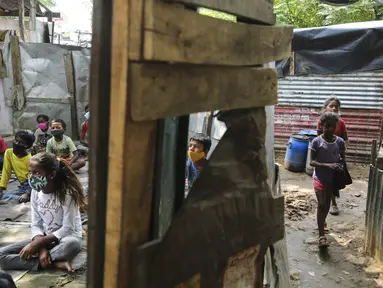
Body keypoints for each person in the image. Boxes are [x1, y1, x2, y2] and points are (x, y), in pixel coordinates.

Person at [0, 152, 85, 272]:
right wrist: (41, 247)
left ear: (51, 175)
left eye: (36, 173)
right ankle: (54, 263)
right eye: (30, 172)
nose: (31, 176)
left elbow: (67, 229)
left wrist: (38, 243)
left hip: (65, 238)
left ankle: (43, 260)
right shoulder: (35, 192)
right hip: (44, 238)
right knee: (1, 255)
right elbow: (36, 223)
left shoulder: (67, 194)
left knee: (72, 244)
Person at [310, 112, 345, 248]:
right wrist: (327, 165)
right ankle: (321, 236)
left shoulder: (340, 142)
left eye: (333, 126)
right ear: (322, 126)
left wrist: (340, 167)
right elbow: (311, 162)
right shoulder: (316, 141)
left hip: (332, 179)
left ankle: (322, 221)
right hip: (319, 177)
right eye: (327, 126)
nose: (330, 129)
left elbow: (343, 159)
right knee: (322, 204)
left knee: (327, 205)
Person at [316, 97, 348, 216]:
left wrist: (342, 155)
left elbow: (345, 139)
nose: (334, 108)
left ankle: (332, 201)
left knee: (335, 179)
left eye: (336, 106)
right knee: (325, 180)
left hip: (337, 155)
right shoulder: (321, 122)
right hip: (324, 156)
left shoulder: (341, 123)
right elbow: (318, 139)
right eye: (331, 106)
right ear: (325, 108)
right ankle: (331, 203)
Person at [0, 130, 35, 203]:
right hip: (23, 186)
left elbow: (35, 178)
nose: (17, 144)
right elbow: (6, 171)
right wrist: (1, 188)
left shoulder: (31, 158)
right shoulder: (9, 153)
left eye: (21, 142)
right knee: (4, 196)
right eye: (16, 140)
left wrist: (27, 193)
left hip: (32, 185)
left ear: (28, 146)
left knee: (16, 198)